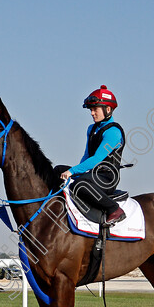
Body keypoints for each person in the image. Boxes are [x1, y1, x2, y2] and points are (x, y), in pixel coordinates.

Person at [57, 85, 127, 225]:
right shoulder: (92, 129)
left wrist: (72, 172)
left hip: (107, 177)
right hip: (93, 174)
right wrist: (73, 172)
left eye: (95, 109)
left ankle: (114, 209)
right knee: (58, 169)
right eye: (91, 110)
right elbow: (87, 156)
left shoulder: (113, 132)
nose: (92, 113)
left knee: (80, 185)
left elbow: (96, 159)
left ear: (108, 109)